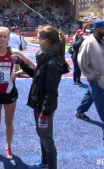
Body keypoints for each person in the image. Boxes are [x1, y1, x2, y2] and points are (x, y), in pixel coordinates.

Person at [11, 26, 68, 169]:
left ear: (46, 41)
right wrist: (21, 62)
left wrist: (45, 114)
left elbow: (51, 92)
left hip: (44, 108)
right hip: (39, 104)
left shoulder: (52, 62)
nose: (37, 39)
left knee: (47, 140)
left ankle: (50, 166)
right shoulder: (45, 56)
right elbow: (36, 76)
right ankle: (44, 162)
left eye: (39, 37)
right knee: (42, 136)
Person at [0, 26, 35, 161]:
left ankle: (8, 146)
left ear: (8, 38)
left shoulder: (14, 52)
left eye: (4, 36)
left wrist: (17, 73)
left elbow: (32, 66)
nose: (2, 39)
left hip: (10, 91)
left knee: (9, 122)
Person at [74, 19, 104, 137]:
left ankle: (79, 111)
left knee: (90, 95)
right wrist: (91, 76)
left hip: (103, 77)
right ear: (96, 30)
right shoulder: (88, 43)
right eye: (103, 29)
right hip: (96, 78)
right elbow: (81, 62)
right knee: (101, 102)